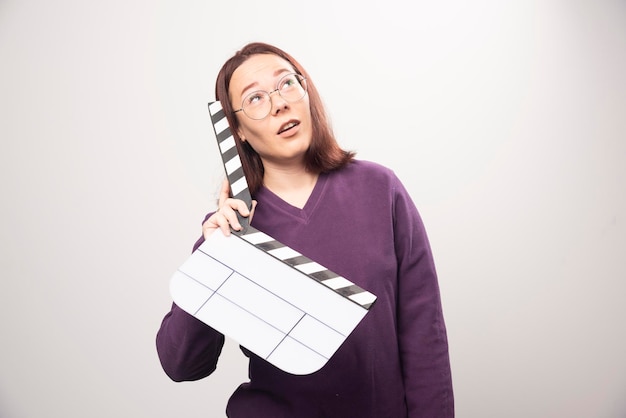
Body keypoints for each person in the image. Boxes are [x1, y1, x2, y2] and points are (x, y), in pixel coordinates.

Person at [156, 42, 454, 417]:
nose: (279, 103)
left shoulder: (380, 190)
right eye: (256, 99)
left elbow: (424, 336)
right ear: (239, 131)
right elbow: (182, 364)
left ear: (306, 93)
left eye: (287, 84)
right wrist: (213, 252)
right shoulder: (232, 233)